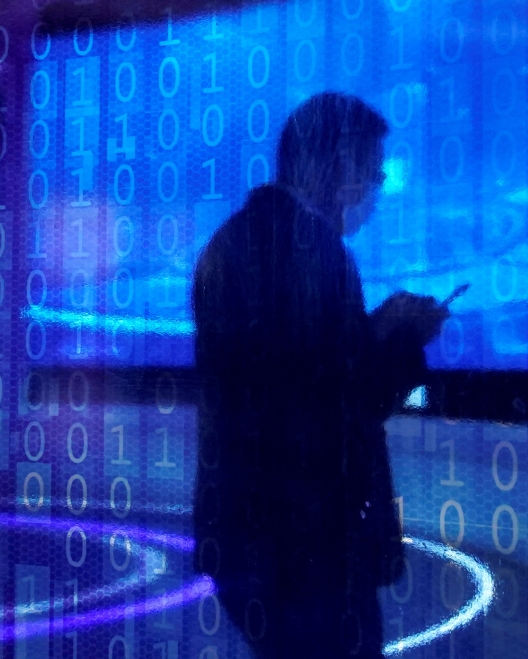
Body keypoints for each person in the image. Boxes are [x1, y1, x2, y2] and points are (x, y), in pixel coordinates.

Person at [191, 92, 448, 658]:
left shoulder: (234, 240)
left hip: (249, 534)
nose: (375, 190)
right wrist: (408, 338)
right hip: (310, 543)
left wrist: (370, 330)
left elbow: (292, 373)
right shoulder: (316, 252)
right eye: (372, 171)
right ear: (334, 166)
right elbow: (346, 402)